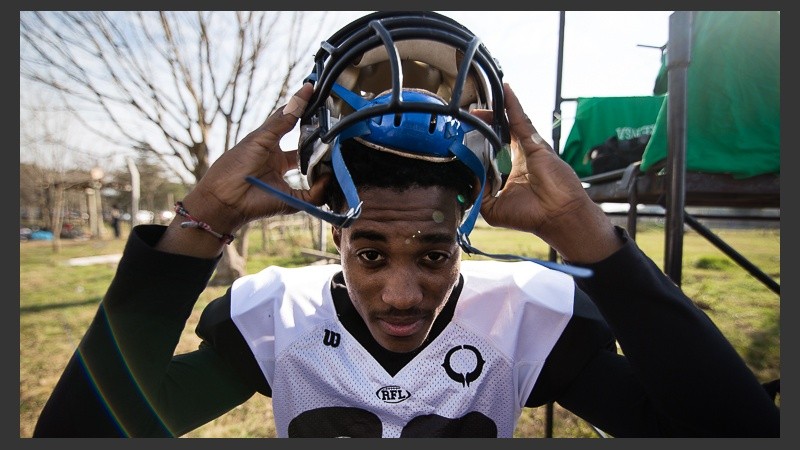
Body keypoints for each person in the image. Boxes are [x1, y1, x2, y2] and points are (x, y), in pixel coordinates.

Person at [33, 12, 779, 438]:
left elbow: (737, 432)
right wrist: (203, 222)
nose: (398, 293)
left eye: (434, 252)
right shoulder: (277, 323)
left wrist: (583, 231)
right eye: (369, 251)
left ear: (466, 235)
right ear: (333, 233)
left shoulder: (518, 321)